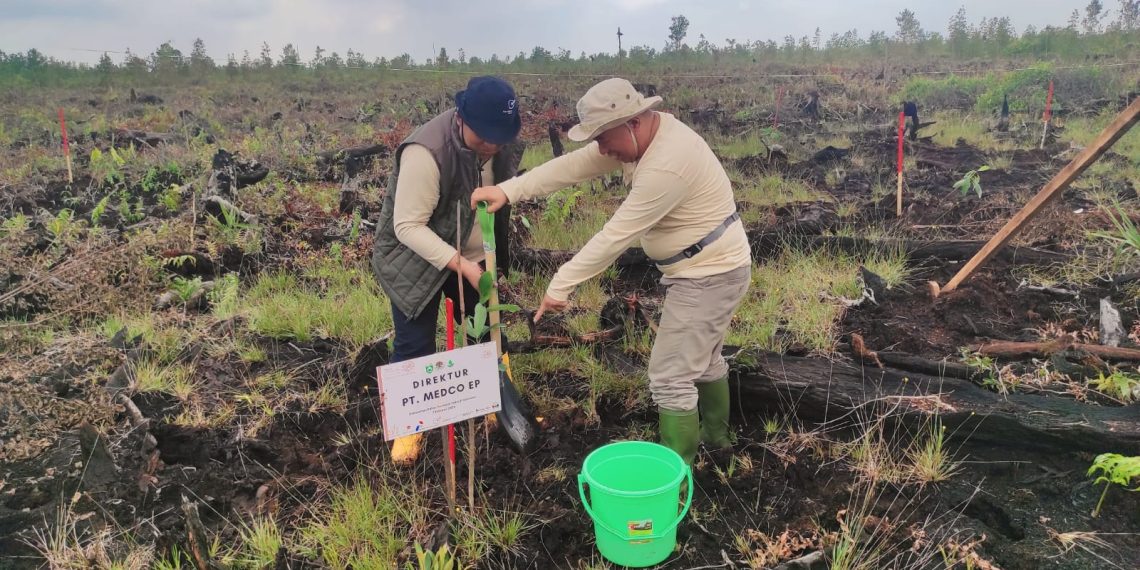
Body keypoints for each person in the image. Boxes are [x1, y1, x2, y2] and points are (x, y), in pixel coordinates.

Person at [472, 78, 752, 465]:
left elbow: (616, 236)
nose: (601, 148)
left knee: (669, 376)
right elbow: (574, 165)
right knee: (701, 360)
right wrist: (508, 191)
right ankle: (719, 444)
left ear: (633, 122)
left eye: (604, 138)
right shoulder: (643, 136)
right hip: (705, 267)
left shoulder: (668, 164)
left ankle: (677, 475)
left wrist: (561, 284)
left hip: (710, 274)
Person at [372, 76, 522, 465]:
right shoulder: (427, 150)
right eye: (485, 136)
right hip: (414, 257)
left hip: (471, 254)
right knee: (414, 344)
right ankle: (410, 428)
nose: (492, 145)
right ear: (462, 117)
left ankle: (494, 402)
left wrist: (484, 264)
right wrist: (461, 267)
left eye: (499, 137)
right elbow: (407, 227)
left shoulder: (499, 145)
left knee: (486, 330)